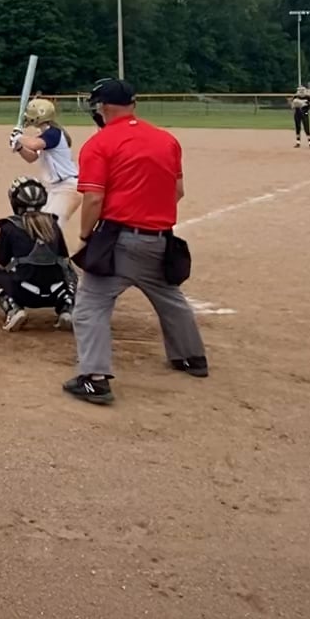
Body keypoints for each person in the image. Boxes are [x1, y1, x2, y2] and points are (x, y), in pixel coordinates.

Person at [64, 78, 208, 406]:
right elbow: (177, 191)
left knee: (90, 305)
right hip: (160, 239)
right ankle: (191, 358)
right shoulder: (166, 139)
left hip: (119, 240)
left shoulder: (100, 143)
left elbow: (94, 199)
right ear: (133, 104)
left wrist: (86, 236)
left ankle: (94, 379)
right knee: (170, 298)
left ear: (103, 107)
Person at [0, 177, 77, 332]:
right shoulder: (53, 224)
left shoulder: (9, 226)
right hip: (55, 294)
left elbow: (1, 263)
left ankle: (13, 309)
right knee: (68, 267)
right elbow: (64, 258)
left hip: (24, 294)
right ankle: (67, 308)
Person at [10, 97, 81, 235]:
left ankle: (53, 249)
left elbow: (34, 144)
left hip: (68, 187)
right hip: (54, 188)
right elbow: (32, 157)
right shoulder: (44, 134)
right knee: (41, 225)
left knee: (49, 228)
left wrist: (18, 137)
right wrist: (19, 147)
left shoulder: (53, 133)